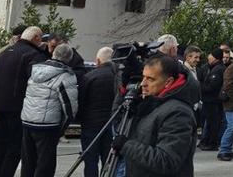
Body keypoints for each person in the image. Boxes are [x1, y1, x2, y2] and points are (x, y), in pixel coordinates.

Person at [110, 55, 196, 177]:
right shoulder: (149, 103)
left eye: (150, 79)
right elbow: (118, 122)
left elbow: (167, 161)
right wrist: (124, 92)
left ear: (168, 82)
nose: (143, 84)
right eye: (143, 77)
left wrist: (126, 145)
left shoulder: (178, 112)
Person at [0, 25, 47, 177]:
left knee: (0, 146)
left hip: (0, 106)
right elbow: (36, 81)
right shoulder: (33, 55)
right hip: (19, 107)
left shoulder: (5, 52)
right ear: (36, 38)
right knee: (14, 149)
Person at [20, 43, 79, 177]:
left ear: (53, 54)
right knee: (45, 165)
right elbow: (70, 108)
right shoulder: (66, 76)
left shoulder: (36, 70)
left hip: (28, 120)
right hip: (48, 125)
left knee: (28, 162)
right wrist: (62, 129)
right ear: (69, 58)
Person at [78, 47, 115, 177]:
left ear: (98, 61)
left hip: (91, 123)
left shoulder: (89, 77)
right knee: (110, 161)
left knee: (90, 161)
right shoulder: (118, 77)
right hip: (112, 123)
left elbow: (81, 101)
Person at [198, 48, 226, 151]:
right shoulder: (211, 67)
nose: (208, 57)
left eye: (210, 55)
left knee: (213, 123)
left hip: (213, 101)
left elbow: (212, 87)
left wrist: (199, 85)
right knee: (209, 123)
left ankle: (212, 143)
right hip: (209, 101)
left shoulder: (218, 69)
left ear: (214, 57)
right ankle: (207, 141)